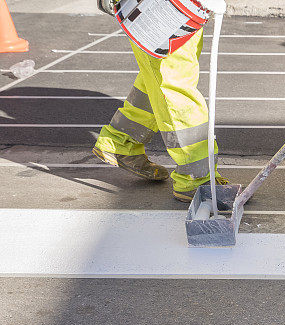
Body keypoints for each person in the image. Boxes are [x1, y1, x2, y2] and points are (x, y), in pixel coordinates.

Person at [93, 0, 231, 202]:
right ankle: (196, 178)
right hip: (167, 8)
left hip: (177, 8)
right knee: (175, 83)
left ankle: (120, 141)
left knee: (157, 76)